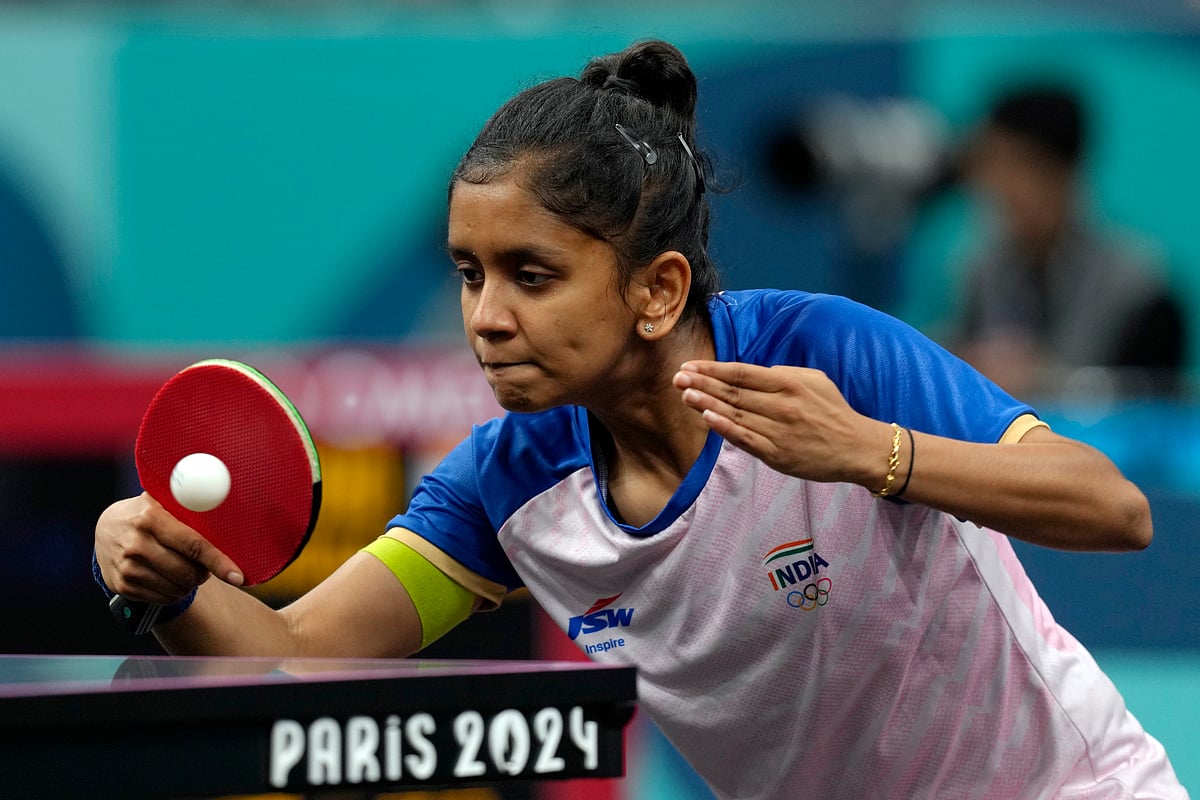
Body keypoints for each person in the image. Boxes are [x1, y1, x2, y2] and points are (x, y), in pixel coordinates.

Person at [94, 40, 1186, 799]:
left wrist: (867, 451)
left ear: (658, 289)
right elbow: (293, 654)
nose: (486, 318)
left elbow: (1112, 504)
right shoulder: (507, 482)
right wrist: (172, 578)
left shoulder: (826, 352)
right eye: (469, 274)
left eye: (531, 274)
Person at [950, 84, 1188, 398]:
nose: (1002, 186)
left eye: (1020, 164)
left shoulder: (1139, 286)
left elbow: (1153, 410)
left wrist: (1046, 379)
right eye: (994, 166)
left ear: (1065, 170)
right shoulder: (983, 273)